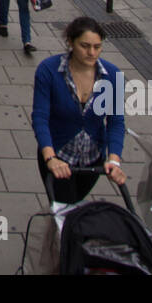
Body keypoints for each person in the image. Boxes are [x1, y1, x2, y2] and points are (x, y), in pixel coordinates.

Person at [33, 16, 127, 204]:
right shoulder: (49, 70)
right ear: (70, 42)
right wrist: (50, 157)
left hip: (92, 159)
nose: (92, 52)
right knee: (64, 206)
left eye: (97, 47)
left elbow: (116, 122)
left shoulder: (112, 76)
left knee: (73, 204)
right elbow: (40, 117)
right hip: (58, 153)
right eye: (85, 46)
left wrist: (114, 159)